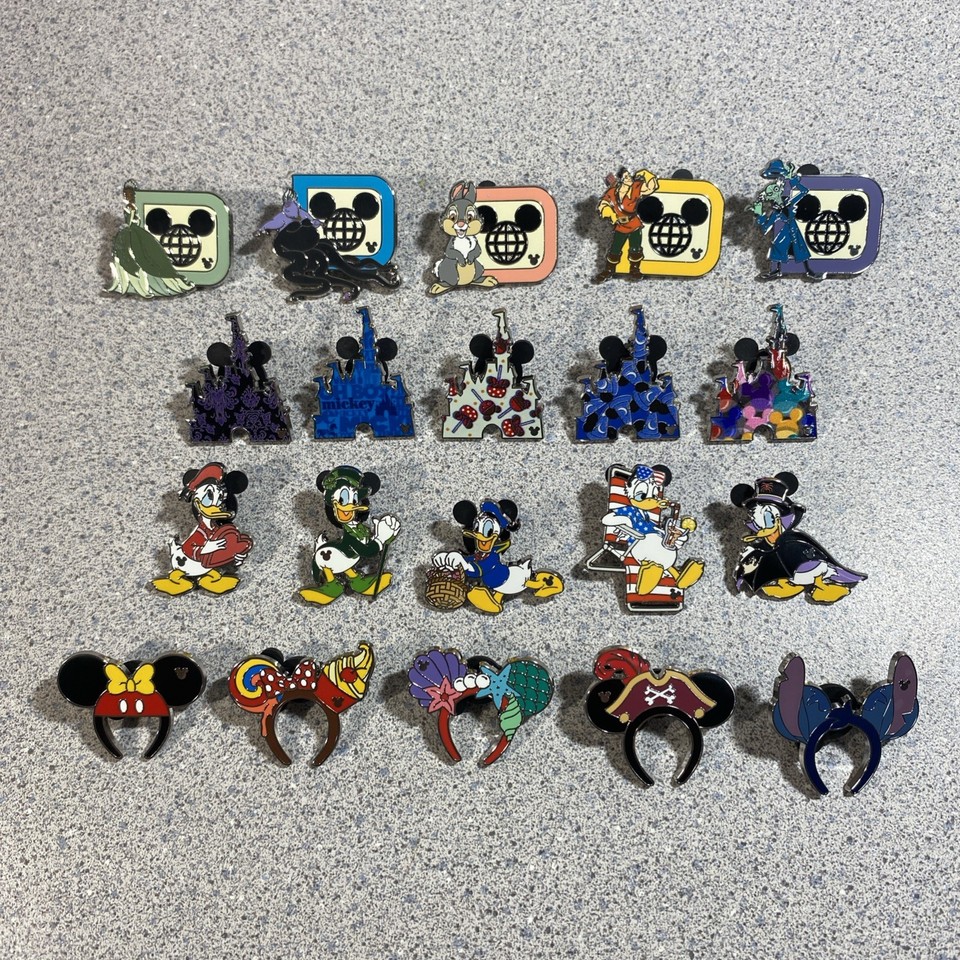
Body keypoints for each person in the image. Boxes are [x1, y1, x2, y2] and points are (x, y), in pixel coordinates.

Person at [595, 168, 659, 282]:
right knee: (615, 249)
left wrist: (646, 174)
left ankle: (635, 269)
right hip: (620, 225)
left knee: (635, 248)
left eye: (629, 176)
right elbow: (603, 204)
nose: (629, 178)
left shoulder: (636, 187)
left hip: (634, 224)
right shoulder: (613, 192)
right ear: (620, 180)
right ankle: (609, 270)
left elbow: (652, 186)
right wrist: (611, 214)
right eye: (626, 177)